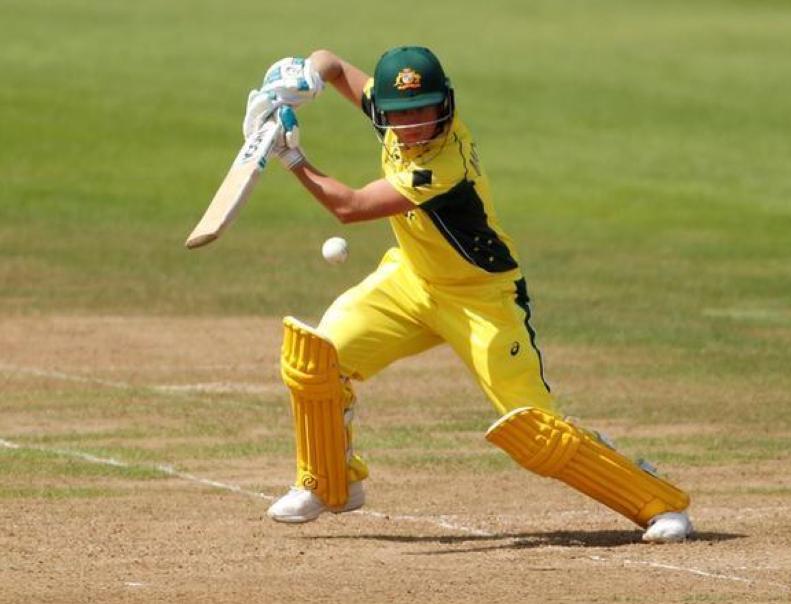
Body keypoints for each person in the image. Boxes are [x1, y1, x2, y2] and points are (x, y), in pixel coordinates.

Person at [241, 47, 693, 542]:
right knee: (317, 359)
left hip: (482, 298)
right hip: (411, 281)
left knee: (535, 432)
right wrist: (301, 79)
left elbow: (349, 207)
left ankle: (657, 502)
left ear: (446, 106)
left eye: (425, 110)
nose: (412, 125)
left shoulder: (444, 161)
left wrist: (289, 155)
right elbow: (329, 61)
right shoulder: (394, 116)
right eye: (400, 114)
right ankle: (330, 483)